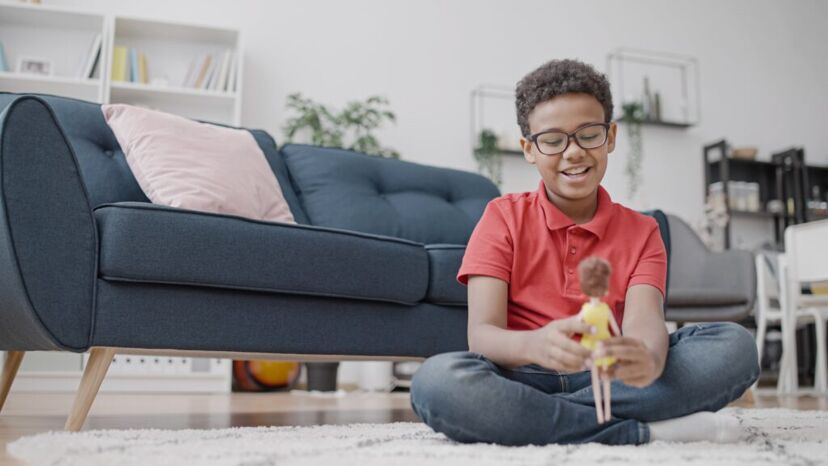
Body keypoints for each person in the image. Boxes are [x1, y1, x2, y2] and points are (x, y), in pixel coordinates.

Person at [409, 59, 760, 446]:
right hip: (520, 374)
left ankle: (536, 420)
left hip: (612, 377)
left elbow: (645, 320)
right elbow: (482, 334)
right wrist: (535, 344)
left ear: (610, 136)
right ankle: (640, 430)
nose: (573, 152)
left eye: (588, 134)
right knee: (436, 381)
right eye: (553, 140)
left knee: (735, 347)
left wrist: (648, 359)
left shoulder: (644, 231)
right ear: (529, 149)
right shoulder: (501, 217)